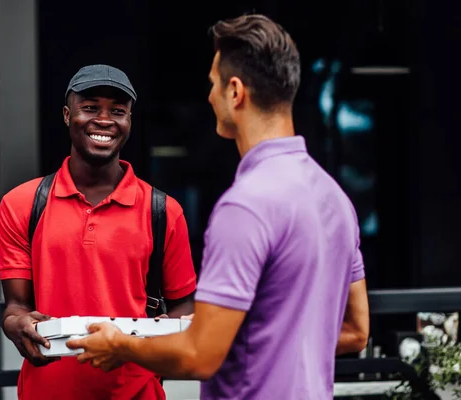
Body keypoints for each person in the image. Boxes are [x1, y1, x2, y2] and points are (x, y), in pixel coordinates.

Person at [66, 14, 370, 400]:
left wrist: (120, 345)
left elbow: (201, 356)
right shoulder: (334, 197)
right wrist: (238, 332)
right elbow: (355, 331)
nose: (209, 96)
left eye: (213, 84)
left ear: (235, 92)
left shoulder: (245, 205)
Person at [0, 64, 197, 400]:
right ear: (66, 115)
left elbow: (183, 308)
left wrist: (154, 348)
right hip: (47, 392)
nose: (104, 120)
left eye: (118, 111)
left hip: (136, 393)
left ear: (129, 122)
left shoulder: (163, 211)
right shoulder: (22, 204)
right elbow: (16, 307)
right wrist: (17, 327)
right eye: (90, 108)